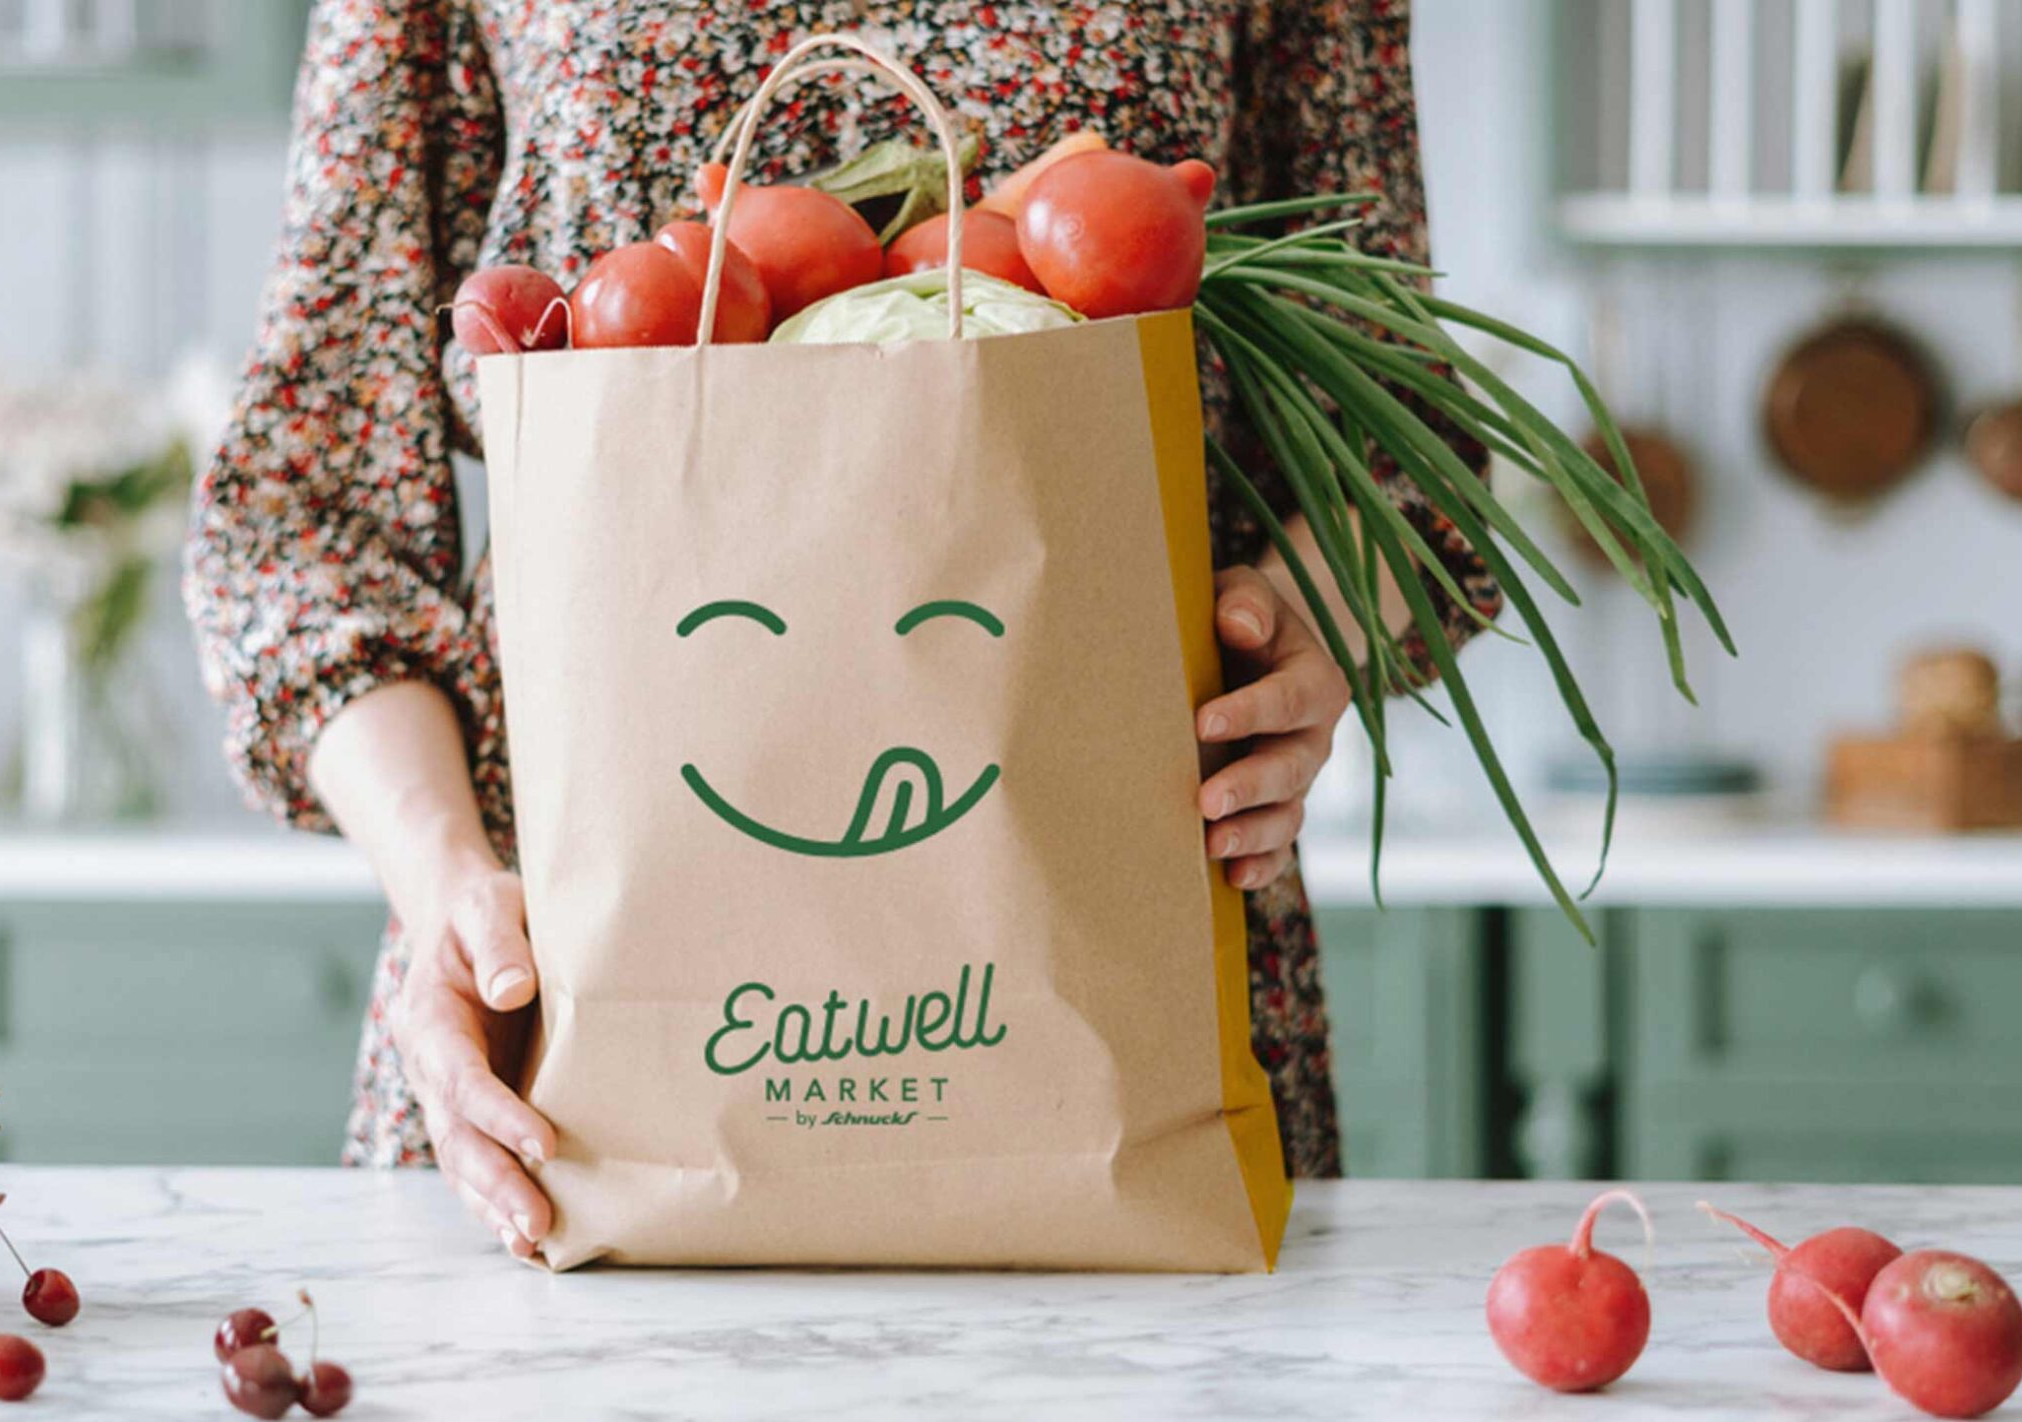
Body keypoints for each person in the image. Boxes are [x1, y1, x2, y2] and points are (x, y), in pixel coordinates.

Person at [187, 0, 1496, 1261]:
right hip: (561, 978)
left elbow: (1400, 436)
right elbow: (311, 514)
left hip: (1105, 938)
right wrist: (446, 890)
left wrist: (1314, 625)